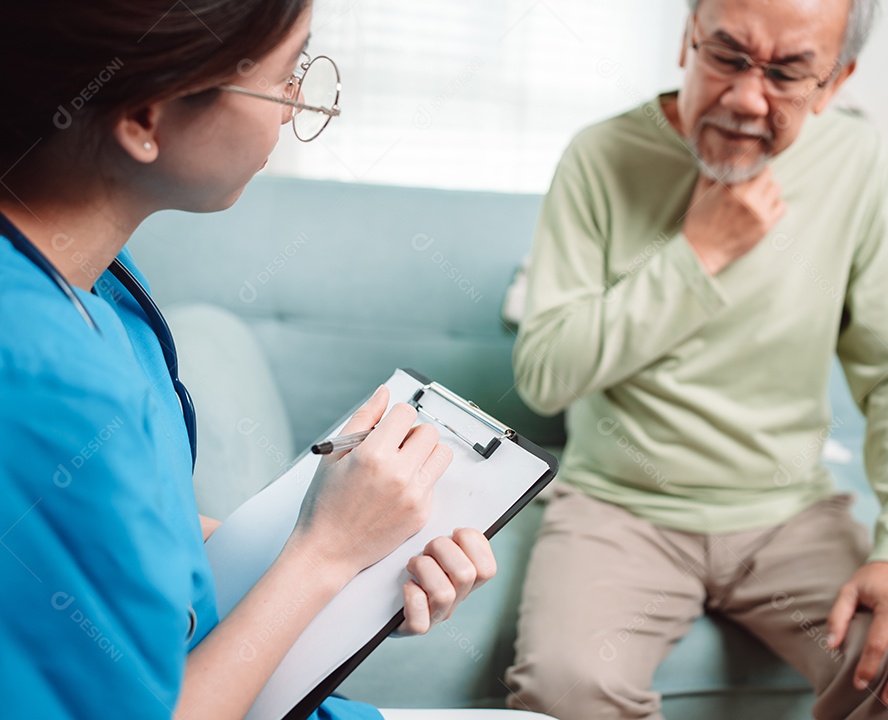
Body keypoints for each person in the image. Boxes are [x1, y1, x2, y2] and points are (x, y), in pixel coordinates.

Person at [0, 2, 516, 718]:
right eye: (285, 76)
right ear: (145, 118)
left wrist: (360, 546)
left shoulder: (99, 286)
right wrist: (324, 555)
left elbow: (136, 544)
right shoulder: (41, 379)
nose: (299, 104)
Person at [505, 0, 888, 718]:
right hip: (619, 508)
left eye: (788, 73)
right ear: (684, 41)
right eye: (726, 56)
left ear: (836, 82)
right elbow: (543, 374)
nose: (746, 98)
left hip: (790, 512)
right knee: (566, 690)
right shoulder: (598, 156)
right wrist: (700, 253)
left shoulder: (857, 163)